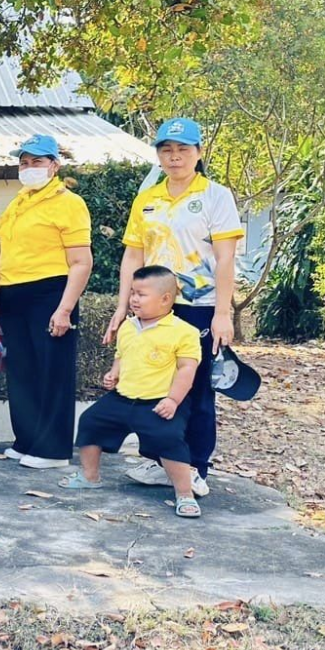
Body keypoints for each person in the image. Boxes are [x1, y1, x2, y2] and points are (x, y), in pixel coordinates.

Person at [105, 117, 243, 498]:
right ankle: (156, 459)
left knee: (195, 388)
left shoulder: (216, 197)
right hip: (153, 309)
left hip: (198, 307)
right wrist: (123, 306)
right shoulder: (147, 199)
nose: (175, 156)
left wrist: (222, 313)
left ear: (198, 153)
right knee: (151, 384)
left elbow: (226, 258)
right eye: (166, 150)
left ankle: (196, 466)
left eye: (183, 149)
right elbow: (133, 257)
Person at [64, 265, 204, 517]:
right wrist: (114, 373)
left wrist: (173, 400)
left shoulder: (185, 332)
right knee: (90, 422)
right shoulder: (128, 326)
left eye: (141, 294)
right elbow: (122, 355)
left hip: (159, 402)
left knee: (169, 440)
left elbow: (186, 369)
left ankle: (185, 494)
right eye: (132, 293)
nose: (134, 299)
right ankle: (90, 476)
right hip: (122, 397)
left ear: (165, 299)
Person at [0, 134, 93, 470]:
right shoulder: (18, 202)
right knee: (22, 371)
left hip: (49, 292)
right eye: (24, 162)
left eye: (37, 161)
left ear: (54, 165)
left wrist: (64, 309)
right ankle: (27, 440)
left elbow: (81, 262)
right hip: (14, 293)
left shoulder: (69, 203)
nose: (29, 167)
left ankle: (53, 450)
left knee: (52, 371)